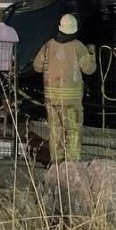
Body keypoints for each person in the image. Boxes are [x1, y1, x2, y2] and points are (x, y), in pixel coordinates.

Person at [33, 13, 96, 163]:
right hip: (71, 99)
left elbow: (37, 66)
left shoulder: (48, 45)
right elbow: (89, 69)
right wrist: (92, 53)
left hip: (51, 98)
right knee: (73, 131)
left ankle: (57, 163)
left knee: (55, 131)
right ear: (74, 30)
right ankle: (72, 166)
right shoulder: (78, 47)